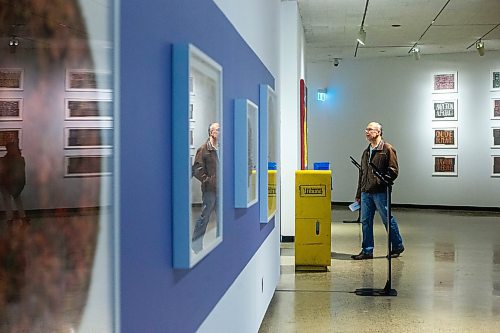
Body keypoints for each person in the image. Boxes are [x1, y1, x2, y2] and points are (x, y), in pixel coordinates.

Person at [351, 122, 404, 260]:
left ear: (378, 132)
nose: (366, 131)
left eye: (369, 129)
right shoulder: (366, 152)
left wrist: (381, 182)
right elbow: (362, 174)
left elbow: (393, 170)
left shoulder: (387, 149)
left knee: (387, 219)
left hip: (380, 192)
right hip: (366, 192)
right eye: (366, 129)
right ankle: (367, 250)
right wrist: (359, 193)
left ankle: (397, 245)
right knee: (365, 221)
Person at [191, 122, 220, 253]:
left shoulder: (219, 149)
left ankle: (221, 244)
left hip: (220, 189)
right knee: (205, 216)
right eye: (218, 130)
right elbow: (196, 169)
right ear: (211, 132)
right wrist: (208, 181)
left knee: (221, 217)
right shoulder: (204, 149)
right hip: (210, 190)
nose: (220, 132)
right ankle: (196, 245)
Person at [0, 140, 28, 224]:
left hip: (11, 183)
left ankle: (16, 218)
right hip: (7, 183)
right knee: (11, 200)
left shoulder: (9, 159)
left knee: (13, 200)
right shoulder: (18, 159)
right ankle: (14, 218)